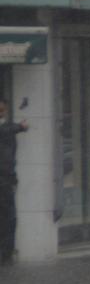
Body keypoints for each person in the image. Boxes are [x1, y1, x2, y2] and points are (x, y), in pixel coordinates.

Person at [0, 98, 31, 266]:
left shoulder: (7, 128)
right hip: (5, 178)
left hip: (6, 178)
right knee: (8, 216)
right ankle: (6, 251)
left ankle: (6, 251)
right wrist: (21, 127)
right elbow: (7, 129)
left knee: (7, 216)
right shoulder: (7, 128)